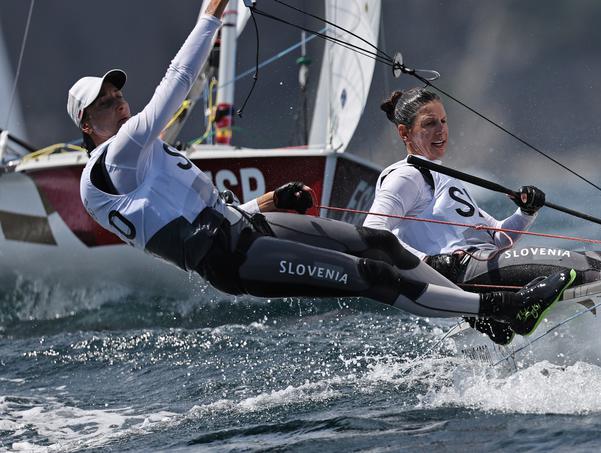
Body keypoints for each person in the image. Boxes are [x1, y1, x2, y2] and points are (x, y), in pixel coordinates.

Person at [70, 0, 575, 339]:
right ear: (87, 128)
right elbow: (174, 88)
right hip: (232, 258)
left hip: (246, 226)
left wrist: (267, 203)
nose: (118, 106)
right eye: (104, 107)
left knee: (379, 244)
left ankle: (471, 306)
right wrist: (209, 16)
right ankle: (498, 311)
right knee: (371, 275)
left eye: (117, 97)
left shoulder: (137, 162)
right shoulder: (114, 159)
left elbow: (192, 220)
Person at [364, 87, 601, 344]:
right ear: (405, 132)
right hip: (462, 269)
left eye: (444, 121)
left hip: (483, 261)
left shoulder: (443, 176)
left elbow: (498, 238)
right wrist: (428, 262)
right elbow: (374, 230)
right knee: (599, 271)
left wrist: (526, 211)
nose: (441, 130)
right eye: (429, 123)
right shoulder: (406, 175)